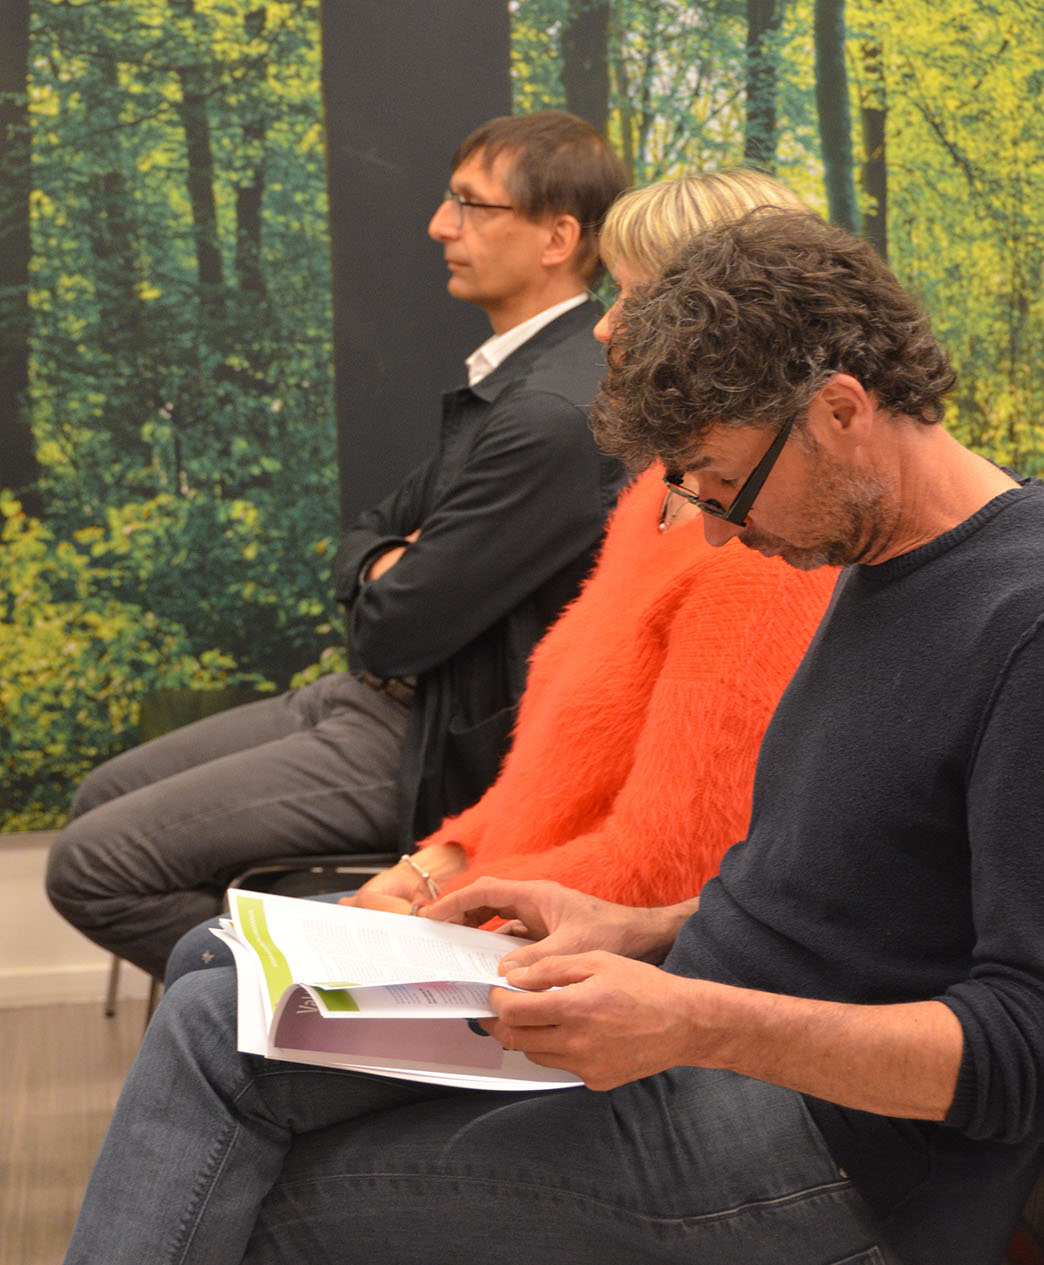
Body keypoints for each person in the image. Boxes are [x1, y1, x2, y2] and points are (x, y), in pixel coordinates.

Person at [63, 209, 1044, 1265]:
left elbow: (1023, 1049)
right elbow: (854, 899)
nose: (718, 528)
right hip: (712, 1030)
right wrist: (642, 928)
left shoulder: (1019, 623)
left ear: (841, 409)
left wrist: (695, 1017)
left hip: (846, 1155)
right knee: (220, 1016)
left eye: (724, 483)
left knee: (251, 1194)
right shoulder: (868, 547)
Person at [160, 170, 834, 988]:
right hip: (500, 898)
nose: (603, 326)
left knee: (210, 979)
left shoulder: (758, 560)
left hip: (578, 953)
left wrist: (448, 908)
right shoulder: (653, 500)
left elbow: (669, 867)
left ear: (725, 330)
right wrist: (430, 866)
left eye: (632, 299)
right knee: (207, 957)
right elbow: (542, 786)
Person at [46, 110, 630, 982]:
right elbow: (366, 531)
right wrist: (390, 557)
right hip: (372, 695)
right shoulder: (511, 379)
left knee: (93, 866)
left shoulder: (551, 410)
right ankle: (265, 1009)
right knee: (101, 797)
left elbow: (392, 626)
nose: (440, 226)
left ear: (558, 237)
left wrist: (397, 564)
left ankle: (324, 1010)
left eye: (471, 205)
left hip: (425, 730)